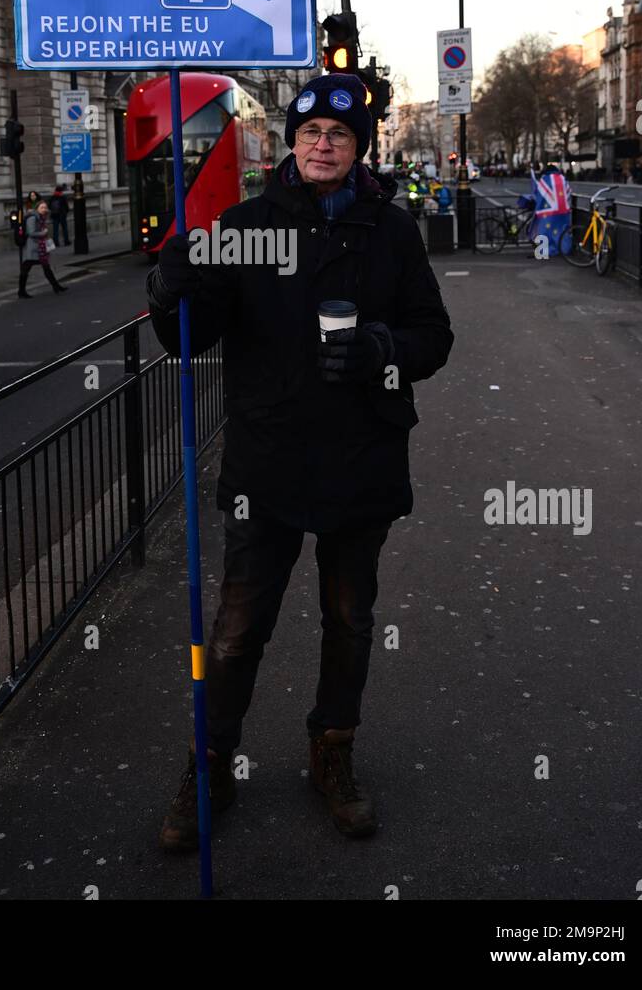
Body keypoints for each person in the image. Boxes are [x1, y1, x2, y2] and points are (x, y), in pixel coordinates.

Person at [146, 73, 454, 852]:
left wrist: (381, 349)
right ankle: (210, 766)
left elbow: (433, 336)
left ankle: (332, 755)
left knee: (350, 623)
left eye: (341, 137)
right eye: (312, 133)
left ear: (359, 149)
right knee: (237, 631)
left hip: (362, 461)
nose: (324, 145)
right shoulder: (244, 226)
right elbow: (188, 339)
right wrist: (170, 287)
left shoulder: (390, 230)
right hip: (269, 467)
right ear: (294, 142)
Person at [17, 200, 67, 298]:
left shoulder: (40, 217)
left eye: (45, 207)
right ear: (37, 208)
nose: (44, 209)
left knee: (46, 267)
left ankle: (56, 286)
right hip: (33, 248)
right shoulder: (32, 218)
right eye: (42, 207)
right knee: (26, 268)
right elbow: (30, 233)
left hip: (39, 247)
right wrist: (43, 233)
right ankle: (21, 291)